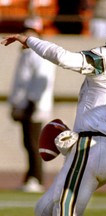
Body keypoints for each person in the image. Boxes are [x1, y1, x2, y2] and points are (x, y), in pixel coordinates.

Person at [1, 31, 106, 215]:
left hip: (92, 147)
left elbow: (64, 58)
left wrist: (29, 41)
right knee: (43, 209)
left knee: (64, 212)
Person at [8, 17, 56, 193]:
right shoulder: (26, 54)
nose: (26, 34)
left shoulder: (39, 53)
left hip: (33, 106)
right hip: (26, 105)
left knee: (33, 143)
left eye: (31, 31)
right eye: (25, 30)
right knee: (28, 143)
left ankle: (36, 179)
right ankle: (30, 177)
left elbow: (40, 80)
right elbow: (21, 82)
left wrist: (31, 102)